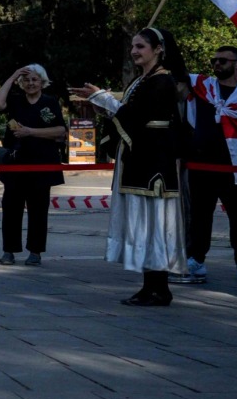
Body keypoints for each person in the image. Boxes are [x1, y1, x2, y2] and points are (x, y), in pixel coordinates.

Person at [69, 28, 189, 306]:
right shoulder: (142, 80)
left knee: (154, 224)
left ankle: (159, 288)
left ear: (158, 48)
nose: (135, 51)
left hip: (153, 162)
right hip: (139, 159)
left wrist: (103, 98)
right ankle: (151, 286)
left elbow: (136, 116)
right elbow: (128, 114)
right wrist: (103, 104)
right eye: (133, 46)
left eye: (141, 46)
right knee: (144, 226)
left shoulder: (162, 81)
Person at [184, 46, 237, 283]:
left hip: (234, 166)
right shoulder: (204, 87)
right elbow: (176, 72)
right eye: (214, 60)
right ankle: (197, 259)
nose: (217, 64)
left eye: (223, 60)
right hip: (202, 164)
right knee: (200, 215)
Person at [0, 64, 67, 266]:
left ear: (42, 82)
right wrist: (13, 75)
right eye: (26, 80)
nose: (30, 83)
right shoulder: (15, 101)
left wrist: (30, 132)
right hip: (15, 163)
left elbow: (60, 131)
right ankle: (9, 250)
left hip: (42, 164)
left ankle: (35, 251)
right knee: (11, 209)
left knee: (39, 210)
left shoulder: (50, 102)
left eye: (35, 80)